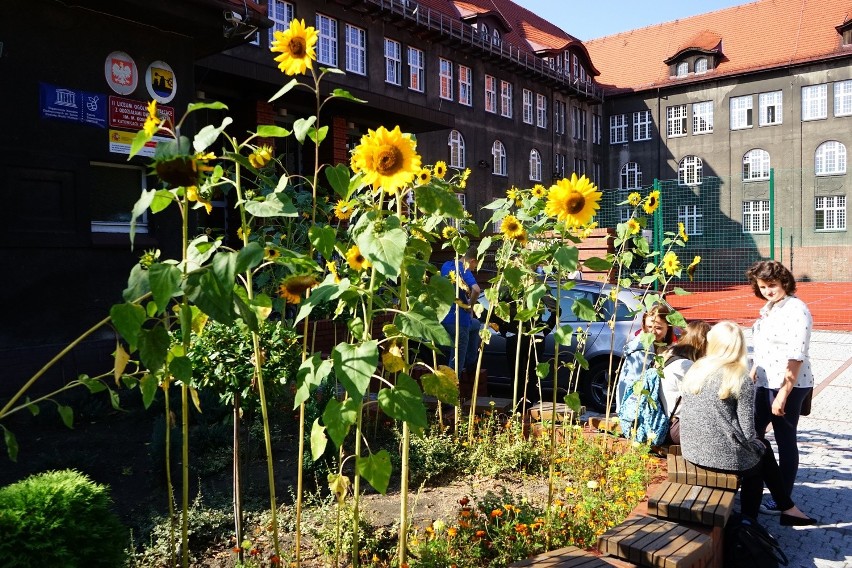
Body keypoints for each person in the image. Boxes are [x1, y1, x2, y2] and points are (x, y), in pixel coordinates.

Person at [679, 321, 816, 525]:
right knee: (759, 460)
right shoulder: (738, 377)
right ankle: (753, 520)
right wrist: (757, 445)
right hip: (720, 456)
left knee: (761, 450)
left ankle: (785, 509)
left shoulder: (697, 368)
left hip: (691, 450)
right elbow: (747, 432)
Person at [746, 260, 813, 513]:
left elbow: (796, 356)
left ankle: (782, 498)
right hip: (765, 381)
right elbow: (763, 347)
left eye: (771, 285)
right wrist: (753, 371)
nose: (767, 291)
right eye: (762, 286)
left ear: (784, 282)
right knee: (753, 432)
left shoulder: (797, 309)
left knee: (785, 439)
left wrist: (783, 394)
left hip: (789, 385)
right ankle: (756, 481)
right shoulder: (771, 308)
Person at [615, 304, 675, 412]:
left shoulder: (665, 346)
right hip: (637, 411)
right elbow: (632, 387)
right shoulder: (641, 352)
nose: (652, 332)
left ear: (668, 327)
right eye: (649, 327)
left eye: (658, 328)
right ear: (643, 326)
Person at [440, 247, 481, 376]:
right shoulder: (464, 268)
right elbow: (476, 289)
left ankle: (471, 361)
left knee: (475, 325)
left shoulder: (446, 265)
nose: (474, 269)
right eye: (476, 265)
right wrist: (470, 306)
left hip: (443, 317)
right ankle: (451, 389)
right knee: (456, 362)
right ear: (472, 261)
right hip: (459, 321)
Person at [659, 320, 710, 417]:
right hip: (677, 421)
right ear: (702, 344)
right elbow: (699, 400)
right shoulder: (686, 366)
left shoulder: (669, 356)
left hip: (666, 414)